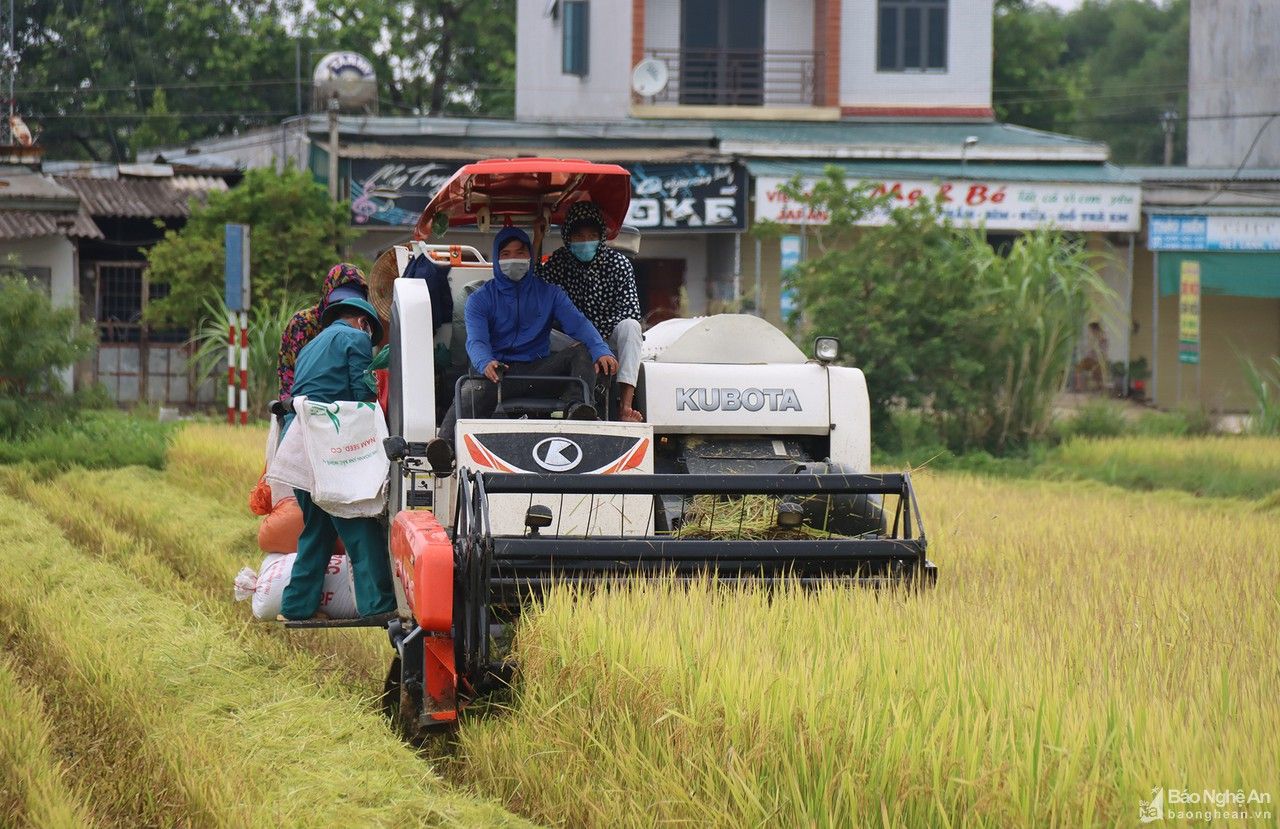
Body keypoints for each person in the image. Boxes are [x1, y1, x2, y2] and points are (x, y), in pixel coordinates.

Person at [429, 226, 618, 471]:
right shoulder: (480, 299)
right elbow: (476, 341)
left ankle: (578, 409)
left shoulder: (550, 293)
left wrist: (601, 349)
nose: (513, 259)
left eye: (520, 252)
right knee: (468, 390)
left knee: (582, 351)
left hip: (539, 371)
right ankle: (444, 449)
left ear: (530, 256)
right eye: (506, 254)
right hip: (499, 374)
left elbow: (579, 324)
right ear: (496, 259)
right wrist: (485, 361)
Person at [277, 295, 396, 622]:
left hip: (300, 447)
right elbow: (362, 395)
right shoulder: (356, 337)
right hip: (329, 449)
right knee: (360, 528)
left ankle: (295, 608)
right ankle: (380, 607)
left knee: (316, 533)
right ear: (364, 322)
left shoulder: (308, 347)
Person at [539, 201, 645, 422]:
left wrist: (596, 343)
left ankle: (625, 406)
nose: (585, 242)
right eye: (579, 236)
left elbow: (629, 311)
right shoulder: (559, 262)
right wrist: (536, 241)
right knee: (539, 331)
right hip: (571, 342)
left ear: (601, 237)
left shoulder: (619, 264)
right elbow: (536, 294)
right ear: (568, 237)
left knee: (631, 327)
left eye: (592, 235)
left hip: (608, 342)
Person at [278, 263, 370, 399]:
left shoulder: (359, 326)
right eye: (340, 301)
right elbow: (301, 377)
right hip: (299, 403)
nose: (344, 307)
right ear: (327, 292)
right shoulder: (303, 323)